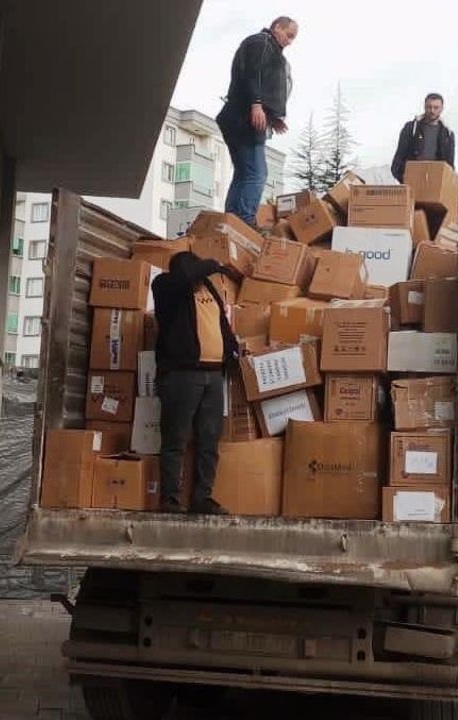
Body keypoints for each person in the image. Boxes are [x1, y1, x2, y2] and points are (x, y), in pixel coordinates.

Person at [151, 251, 242, 514]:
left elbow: (221, 323)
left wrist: (231, 350)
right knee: (175, 438)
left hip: (214, 375)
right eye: (196, 271)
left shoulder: (208, 288)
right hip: (182, 375)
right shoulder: (167, 287)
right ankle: (170, 499)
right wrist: (212, 264)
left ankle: (202, 497)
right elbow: (186, 277)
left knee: (209, 440)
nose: (201, 278)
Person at [216, 16, 297, 227]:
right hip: (243, 118)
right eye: (288, 35)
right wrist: (257, 103)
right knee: (256, 173)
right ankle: (243, 220)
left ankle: (233, 218)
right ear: (277, 27)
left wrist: (271, 116)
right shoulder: (261, 43)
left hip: (240, 116)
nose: (290, 41)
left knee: (245, 172)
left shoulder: (267, 47)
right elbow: (252, 74)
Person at [390, 93, 456, 182]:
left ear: (441, 109)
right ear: (424, 107)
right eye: (429, 107)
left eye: (436, 107)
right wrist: (405, 179)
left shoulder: (448, 134)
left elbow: (450, 166)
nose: (432, 110)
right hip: (411, 183)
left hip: (436, 184)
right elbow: (398, 161)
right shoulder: (411, 128)